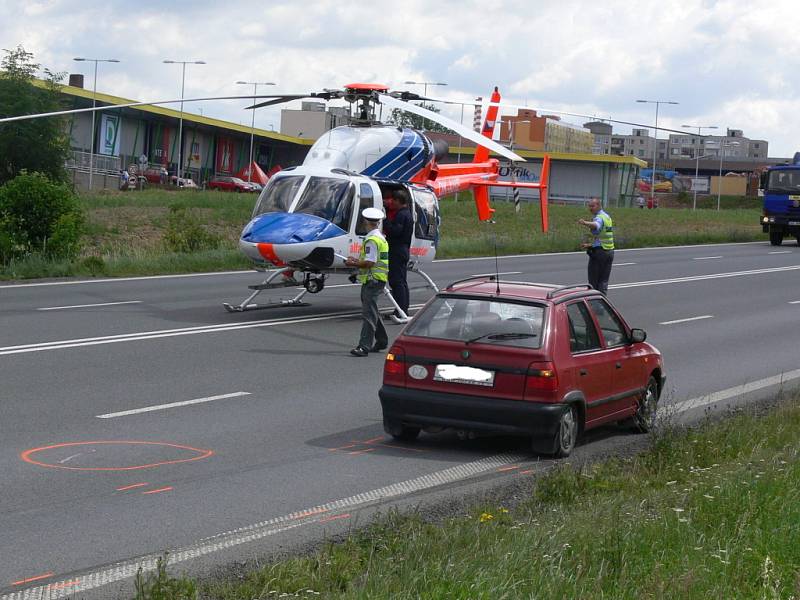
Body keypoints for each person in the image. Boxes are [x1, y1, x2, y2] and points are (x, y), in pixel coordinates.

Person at [345, 207, 390, 357]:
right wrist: (357, 261)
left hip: (372, 279)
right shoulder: (380, 237)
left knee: (368, 314)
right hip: (378, 278)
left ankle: (364, 346)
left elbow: (370, 263)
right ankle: (382, 340)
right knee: (372, 311)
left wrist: (353, 264)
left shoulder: (371, 240)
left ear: (366, 222)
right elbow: (373, 260)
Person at [384, 188, 413, 319]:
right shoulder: (407, 213)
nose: (392, 203)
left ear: (398, 201)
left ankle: (400, 310)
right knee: (401, 281)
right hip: (403, 249)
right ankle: (403, 309)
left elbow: (395, 231)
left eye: (393, 200)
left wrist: (385, 222)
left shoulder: (402, 215)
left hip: (397, 250)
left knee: (397, 282)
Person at [578, 198, 614, 295]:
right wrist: (590, 245)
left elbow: (596, 225)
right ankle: (602, 304)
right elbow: (603, 236)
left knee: (593, 283)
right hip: (609, 251)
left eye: (592, 206)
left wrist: (585, 223)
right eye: (589, 206)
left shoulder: (599, 218)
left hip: (600, 253)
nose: (590, 208)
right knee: (603, 282)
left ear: (598, 206)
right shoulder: (607, 217)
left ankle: (594, 306)